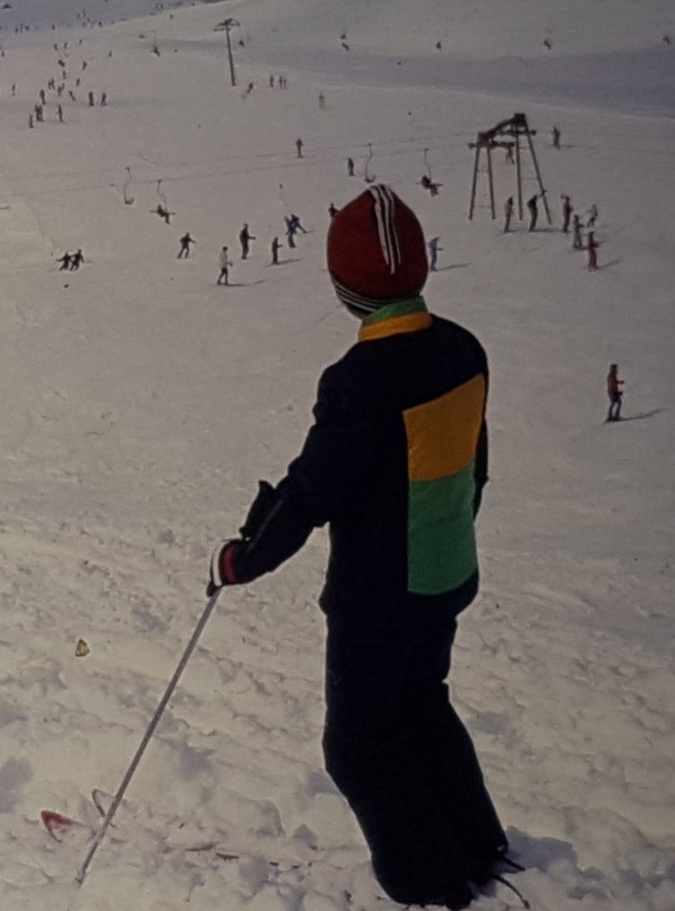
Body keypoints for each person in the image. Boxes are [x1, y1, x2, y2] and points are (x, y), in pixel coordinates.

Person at [209, 184, 510, 910]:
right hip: (446, 573)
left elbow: (315, 488)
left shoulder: (359, 381)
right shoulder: (463, 348)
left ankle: (428, 881)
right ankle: (477, 844)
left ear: (346, 288)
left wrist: (245, 554)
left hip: (381, 596)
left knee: (358, 745)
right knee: (421, 705)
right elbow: (477, 463)